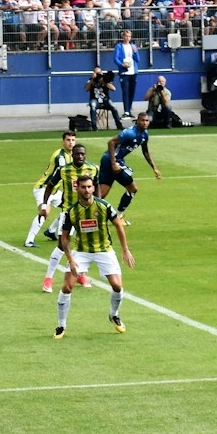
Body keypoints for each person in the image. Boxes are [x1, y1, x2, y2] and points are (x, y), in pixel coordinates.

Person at [54, 176, 135, 338]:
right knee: (67, 287)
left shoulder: (103, 206)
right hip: (81, 251)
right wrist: (71, 260)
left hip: (104, 249)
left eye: (89, 187)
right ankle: (61, 325)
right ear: (78, 188)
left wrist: (125, 250)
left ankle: (114, 315)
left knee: (117, 286)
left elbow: (118, 225)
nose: (86, 190)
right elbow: (64, 237)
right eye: (83, 187)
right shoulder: (72, 211)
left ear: (93, 188)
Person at [34, 142, 94, 292]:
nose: (80, 156)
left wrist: (97, 205)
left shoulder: (93, 169)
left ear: (85, 155)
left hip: (86, 212)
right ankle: (48, 279)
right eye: (77, 153)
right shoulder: (64, 170)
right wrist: (43, 205)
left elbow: (97, 186)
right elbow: (49, 185)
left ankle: (80, 274)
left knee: (84, 245)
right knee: (62, 245)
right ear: (72, 155)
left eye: (82, 154)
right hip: (68, 212)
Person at [98, 112, 161, 214]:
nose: (145, 123)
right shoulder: (129, 133)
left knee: (102, 194)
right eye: (142, 120)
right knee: (132, 188)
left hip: (114, 161)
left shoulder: (145, 134)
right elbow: (111, 142)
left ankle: (87, 212)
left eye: (147, 121)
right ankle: (118, 215)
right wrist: (114, 163)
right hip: (111, 161)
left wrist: (154, 168)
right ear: (137, 121)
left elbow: (145, 151)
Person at [112, 28, 141, 119]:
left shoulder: (133, 46)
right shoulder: (119, 46)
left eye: (129, 36)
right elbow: (115, 59)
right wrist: (122, 65)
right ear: (123, 37)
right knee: (125, 92)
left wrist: (135, 52)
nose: (128, 38)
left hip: (133, 72)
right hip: (124, 73)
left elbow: (138, 59)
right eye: (126, 36)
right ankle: (126, 111)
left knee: (132, 92)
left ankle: (129, 109)